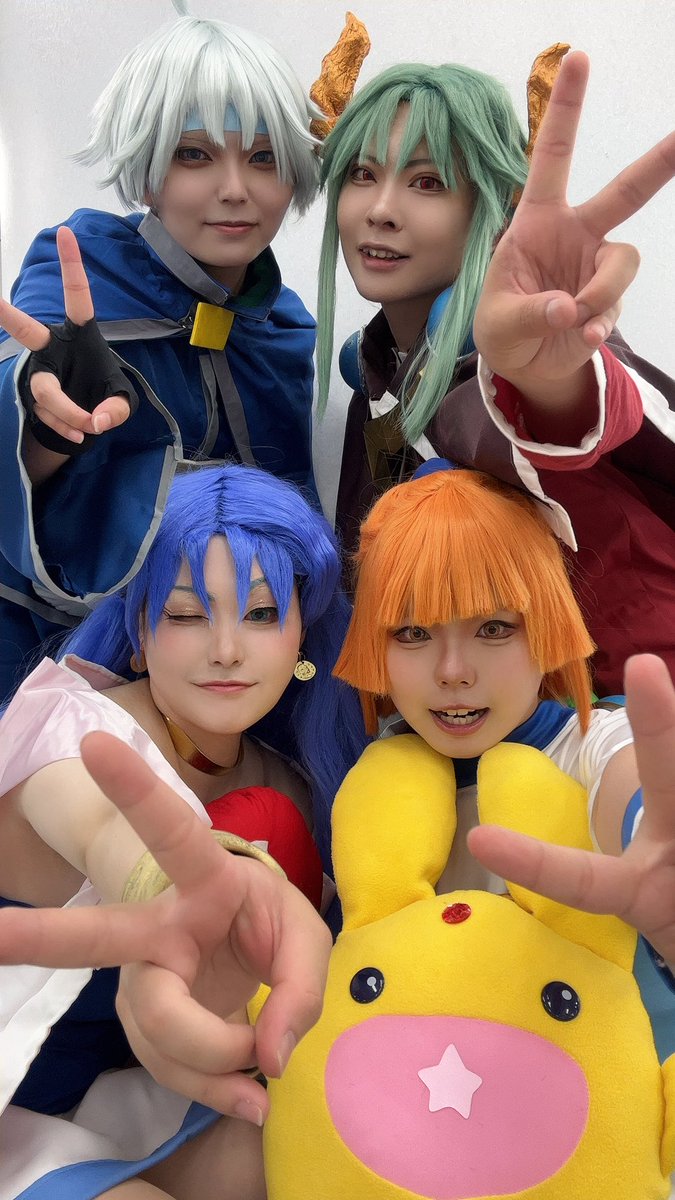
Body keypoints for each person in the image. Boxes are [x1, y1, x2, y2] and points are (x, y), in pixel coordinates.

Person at [0, 462, 366, 1200]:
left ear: (303, 632)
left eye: (260, 614)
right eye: (188, 615)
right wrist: (170, 888)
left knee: (293, 1149)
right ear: (138, 630)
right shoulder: (73, 726)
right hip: (14, 1095)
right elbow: (105, 825)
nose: (226, 648)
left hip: (132, 1095)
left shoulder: (294, 787)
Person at [316, 49, 675, 697]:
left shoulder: (520, 346)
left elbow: (570, 413)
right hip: (483, 714)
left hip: (631, 693)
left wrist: (542, 379)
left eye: (428, 183)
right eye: (362, 174)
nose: (381, 209)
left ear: (492, 206)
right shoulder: (373, 372)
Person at [0, 5, 326, 701]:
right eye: (194, 155)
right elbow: (21, 441)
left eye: (263, 158)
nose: (235, 189)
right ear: (148, 173)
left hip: (222, 669)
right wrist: (49, 414)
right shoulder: (82, 273)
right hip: (46, 656)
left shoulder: (284, 327)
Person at [332, 463, 675, 1058]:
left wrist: (651, 836)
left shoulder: (590, 746)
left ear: (548, 623)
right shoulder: (373, 781)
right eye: (412, 632)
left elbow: (632, 784)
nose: (452, 671)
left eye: (493, 627)